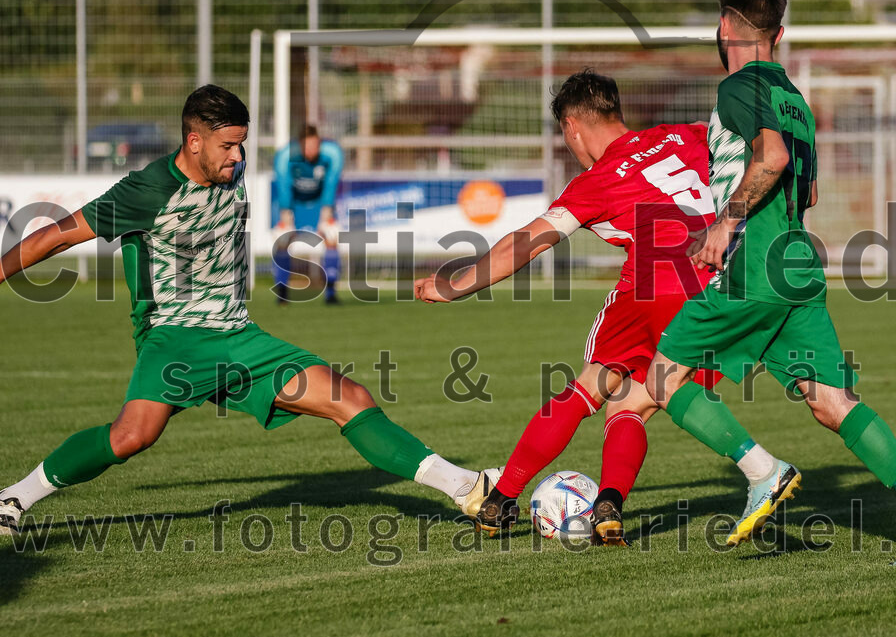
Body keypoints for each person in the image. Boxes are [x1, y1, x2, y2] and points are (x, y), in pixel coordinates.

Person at [0, 85, 498, 535]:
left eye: (242, 145)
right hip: (176, 338)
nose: (238, 157)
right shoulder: (147, 191)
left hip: (240, 338)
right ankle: (15, 497)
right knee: (131, 436)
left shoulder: (229, 171)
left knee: (351, 397)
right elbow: (53, 235)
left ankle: (467, 488)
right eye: (228, 146)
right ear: (194, 142)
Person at [645, 0, 896, 566]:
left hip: (756, 265)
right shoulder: (796, 97)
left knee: (661, 380)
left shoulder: (739, 85)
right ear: (779, 34)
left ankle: (763, 471)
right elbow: (806, 188)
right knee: (829, 399)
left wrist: (726, 220)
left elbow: (775, 157)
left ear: (724, 27)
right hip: (797, 264)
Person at [415, 69, 794, 545]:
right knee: (634, 400)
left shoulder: (596, 181)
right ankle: (609, 505)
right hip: (729, 279)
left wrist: (458, 285)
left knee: (592, 383)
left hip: (659, 280)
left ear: (572, 126)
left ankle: (501, 498)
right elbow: (757, 159)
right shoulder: (689, 134)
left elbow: (526, 243)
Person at [273, 124, 343, 304]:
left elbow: (331, 184)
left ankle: (331, 293)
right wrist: (287, 218)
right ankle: (282, 292)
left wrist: (325, 215)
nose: (313, 151)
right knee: (282, 239)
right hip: (294, 205)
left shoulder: (332, 153)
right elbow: (284, 187)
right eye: (308, 147)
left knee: (332, 235)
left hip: (320, 204)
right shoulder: (285, 156)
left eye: (316, 146)